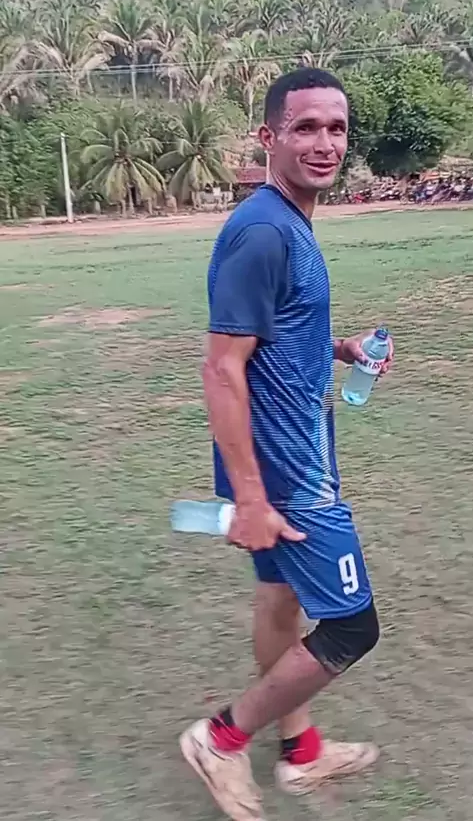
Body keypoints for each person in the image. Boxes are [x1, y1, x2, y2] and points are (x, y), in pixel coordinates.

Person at [180, 68, 394, 821]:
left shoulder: (288, 220)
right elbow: (221, 367)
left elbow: (272, 333)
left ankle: (300, 753)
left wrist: (340, 350)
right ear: (269, 137)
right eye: (305, 128)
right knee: (351, 625)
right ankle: (221, 739)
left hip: (288, 453)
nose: (325, 143)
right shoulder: (266, 231)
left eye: (336, 128)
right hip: (287, 471)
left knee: (280, 599)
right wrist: (251, 498)